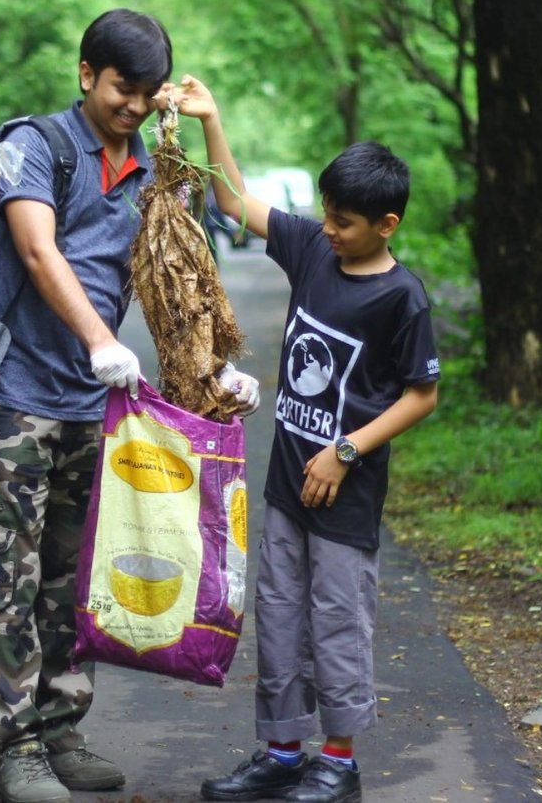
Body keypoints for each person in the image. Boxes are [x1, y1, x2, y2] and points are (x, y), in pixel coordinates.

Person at [0, 11, 261, 803]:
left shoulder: (153, 170)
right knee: (7, 577)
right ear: (87, 73)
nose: (131, 106)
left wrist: (214, 371)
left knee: (72, 577)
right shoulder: (37, 144)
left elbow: (180, 281)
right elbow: (36, 248)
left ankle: (60, 731)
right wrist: (102, 339)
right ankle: (13, 746)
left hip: (97, 411)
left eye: (144, 93)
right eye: (120, 89)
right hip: (18, 401)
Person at [171, 75, 441, 803]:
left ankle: (339, 761)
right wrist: (211, 120)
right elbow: (232, 201)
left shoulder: (400, 297)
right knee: (281, 617)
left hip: (344, 495)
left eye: (346, 221)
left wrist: (347, 450)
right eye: (326, 214)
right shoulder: (315, 251)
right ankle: (282, 754)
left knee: (337, 623)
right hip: (288, 486)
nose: (329, 228)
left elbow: (423, 394)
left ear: (387, 224)